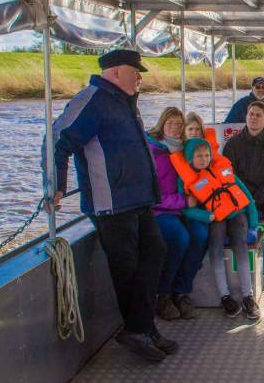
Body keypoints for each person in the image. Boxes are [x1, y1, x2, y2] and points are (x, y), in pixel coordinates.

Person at [47, 49, 175, 362]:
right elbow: (57, 139)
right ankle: (139, 330)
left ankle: (142, 326)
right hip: (111, 204)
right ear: (117, 72)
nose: (140, 77)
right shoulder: (92, 100)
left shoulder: (124, 102)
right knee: (127, 269)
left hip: (139, 199)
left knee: (156, 252)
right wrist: (56, 187)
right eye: (136, 71)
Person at [171, 138, 261, 320]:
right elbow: (185, 209)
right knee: (215, 249)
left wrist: (253, 218)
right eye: (198, 156)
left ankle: (247, 295)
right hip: (214, 217)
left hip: (236, 214)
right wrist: (204, 216)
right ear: (189, 158)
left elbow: (245, 193)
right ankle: (225, 296)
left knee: (240, 246)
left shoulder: (222, 171)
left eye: (207, 155)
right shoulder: (186, 180)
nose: (204, 159)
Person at [146, 107, 208, 321]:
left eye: (179, 124)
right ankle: (163, 295)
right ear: (162, 124)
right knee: (179, 237)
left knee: (200, 234)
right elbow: (151, 195)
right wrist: (182, 201)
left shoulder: (183, 151)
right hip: (158, 211)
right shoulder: (152, 151)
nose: (175, 127)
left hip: (182, 209)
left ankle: (181, 291)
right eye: (171, 123)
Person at [223, 100, 264, 279]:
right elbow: (228, 175)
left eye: (258, 115)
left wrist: (259, 197)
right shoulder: (232, 145)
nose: (253, 118)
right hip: (239, 194)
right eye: (251, 114)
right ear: (246, 116)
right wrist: (244, 197)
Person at [223, 76, 264, 141]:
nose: (261, 90)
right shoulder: (240, 104)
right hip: (244, 145)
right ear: (252, 88)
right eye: (258, 87)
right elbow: (227, 125)